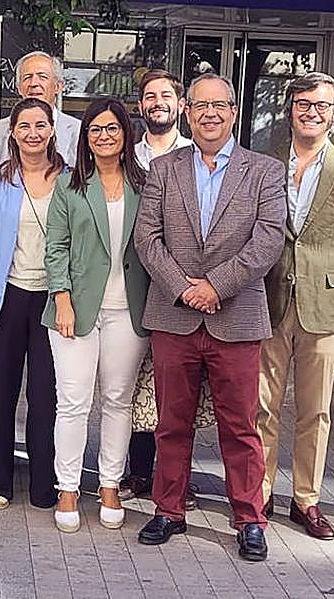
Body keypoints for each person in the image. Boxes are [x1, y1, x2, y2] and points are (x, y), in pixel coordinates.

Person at [133, 72, 286, 562]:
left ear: (234, 111)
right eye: (199, 106)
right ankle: (168, 510)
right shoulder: (164, 170)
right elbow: (146, 239)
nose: (209, 114)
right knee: (170, 425)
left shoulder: (264, 170)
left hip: (236, 317)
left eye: (219, 105)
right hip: (174, 317)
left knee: (240, 426)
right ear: (186, 111)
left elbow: (268, 241)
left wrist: (215, 286)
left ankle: (249, 518)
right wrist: (184, 289)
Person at [259, 72, 334, 539]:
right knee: (262, 405)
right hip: (269, 299)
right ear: (290, 109)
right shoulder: (264, 163)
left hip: (326, 307)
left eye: (322, 105)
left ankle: (306, 499)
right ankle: (262, 490)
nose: (312, 111)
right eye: (303, 102)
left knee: (315, 410)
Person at [43, 99, 149, 533]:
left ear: (126, 134)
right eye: (95, 130)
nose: (104, 136)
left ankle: (108, 484)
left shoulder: (147, 184)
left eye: (112, 129)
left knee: (118, 400)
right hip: (76, 311)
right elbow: (56, 248)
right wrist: (62, 299)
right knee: (72, 403)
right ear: (85, 138)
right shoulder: (70, 186)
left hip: (130, 311)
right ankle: (68, 487)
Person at [0, 97, 65, 510]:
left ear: (52, 130)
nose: (32, 132)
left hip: (53, 296)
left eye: (40, 125)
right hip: (6, 292)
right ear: (12, 132)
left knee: (47, 394)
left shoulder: (69, 177)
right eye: (24, 125)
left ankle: (46, 484)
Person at [122, 69, 207, 507]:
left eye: (166, 95)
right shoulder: (126, 155)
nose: (158, 102)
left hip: (185, 293)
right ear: (140, 106)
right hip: (135, 283)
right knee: (135, 383)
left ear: (181, 106)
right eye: (149, 96)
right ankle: (138, 472)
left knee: (179, 390)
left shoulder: (198, 154)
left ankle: (178, 479)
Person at [0, 51, 79, 172]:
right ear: (19, 88)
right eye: (27, 77)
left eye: (42, 77)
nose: (34, 83)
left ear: (58, 86)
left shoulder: (77, 130)